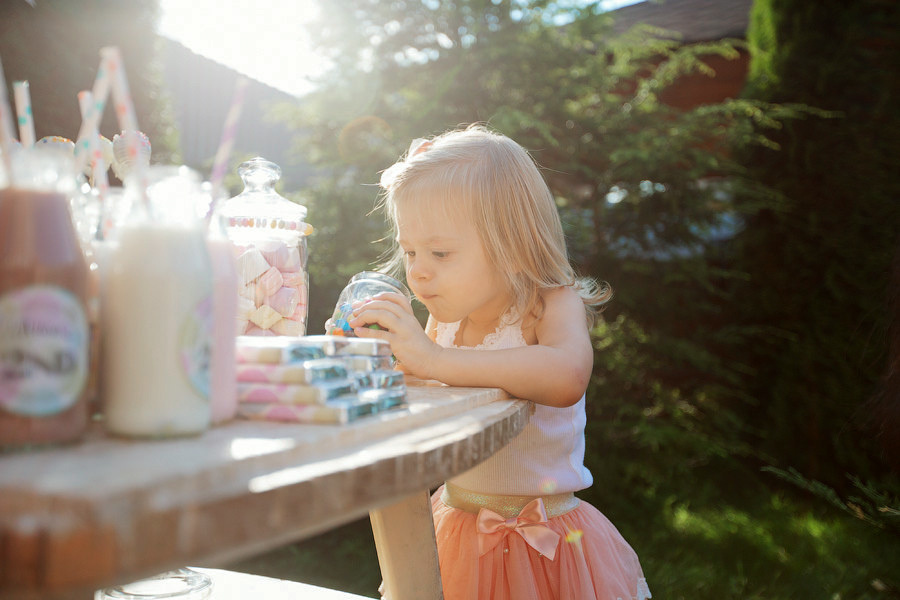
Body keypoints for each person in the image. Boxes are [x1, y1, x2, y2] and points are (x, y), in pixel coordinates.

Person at [349, 124, 651, 600]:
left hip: (548, 540)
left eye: (440, 252)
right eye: (410, 251)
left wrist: (433, 358)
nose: (419, 270)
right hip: (459, 527)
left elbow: (566, 376)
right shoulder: (445, 323)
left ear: (511, 243)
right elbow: (426, 386)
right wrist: (378, 355)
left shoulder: (550, 304)